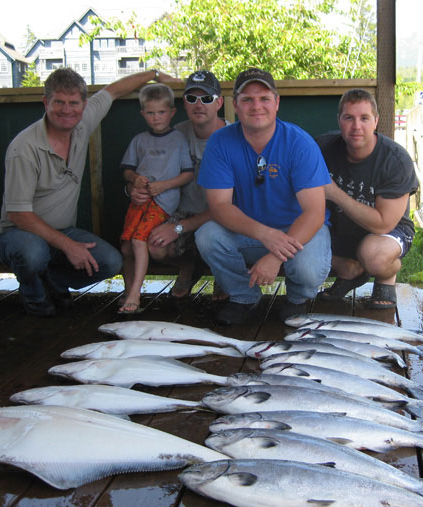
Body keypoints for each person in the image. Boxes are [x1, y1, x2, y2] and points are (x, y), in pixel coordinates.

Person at [0, 67, 177, 317]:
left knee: (111, 261)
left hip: (63, 232)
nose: (67, 110)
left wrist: (154, 75)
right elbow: (18, 215)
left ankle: (54, 281)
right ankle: (34, 297)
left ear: (84, 105)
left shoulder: (81, 124)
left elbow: (113, 91)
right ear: (45, 102)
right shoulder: (24, 148)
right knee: (32, 253)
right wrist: (69, 246)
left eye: (74, 103)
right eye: (59, 102)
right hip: (20, 234)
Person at [195, 67, 332, 325]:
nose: (256, 106)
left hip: (299, 230)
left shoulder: (299, 143)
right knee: (207, 236)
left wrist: (276, 255)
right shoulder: (220, 142)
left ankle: (298, 300)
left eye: (264, 98)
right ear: (235, 105)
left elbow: (314, 213)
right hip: (250, 232)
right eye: (247, 99)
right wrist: (266, 236)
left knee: (308, 267)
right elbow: (219, 206)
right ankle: (244, 298)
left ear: (277, 103)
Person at [128, 70, 229, 300]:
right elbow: (146, 170)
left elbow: (236, 204)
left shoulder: (234, 137)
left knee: (214, 238)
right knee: (154, 244)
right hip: (180, 211)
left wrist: (179, 228)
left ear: (219, 102)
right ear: (183, 103)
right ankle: (188, 267)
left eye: (206, 98)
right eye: (192, 98)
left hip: (222, 214)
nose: (199, 104)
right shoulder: (174, 134)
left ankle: (222, 274)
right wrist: (133, 188)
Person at [316, 89, 419, 309]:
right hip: (340, 228)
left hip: (387, 233)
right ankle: (349, 270)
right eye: (349, 118)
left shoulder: (395, 160)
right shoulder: (322, 148)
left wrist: (335, 193)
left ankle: (386, 277)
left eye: (364, 118)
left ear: (376, 121)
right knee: (290, 238)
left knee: (374, 255)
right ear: (339, 120)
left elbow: (384, 223)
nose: (356, 127)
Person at [118, 83, 194, 313]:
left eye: (161, 112)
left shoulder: (179, 139)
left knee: (140, 240)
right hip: (139, 201)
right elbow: (127, 170)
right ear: (143, 114)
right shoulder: (139, 140)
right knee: (125, 247)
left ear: (171, 112)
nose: (156, 118)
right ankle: (128, 289)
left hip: (163, 203)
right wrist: (134, 179)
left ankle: (135, 296)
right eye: (150, 113)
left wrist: (165, 186)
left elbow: (187, 174)